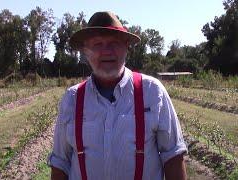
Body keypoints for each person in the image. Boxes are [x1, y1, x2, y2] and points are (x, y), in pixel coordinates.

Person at [47, 11, 187, 180]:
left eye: (114, 43)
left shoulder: (152, 92)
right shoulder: (72, 99)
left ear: (126, 46)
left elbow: (173, 156)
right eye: (97, 44)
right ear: (85, 51)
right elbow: (60, 163)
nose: (106, 51)